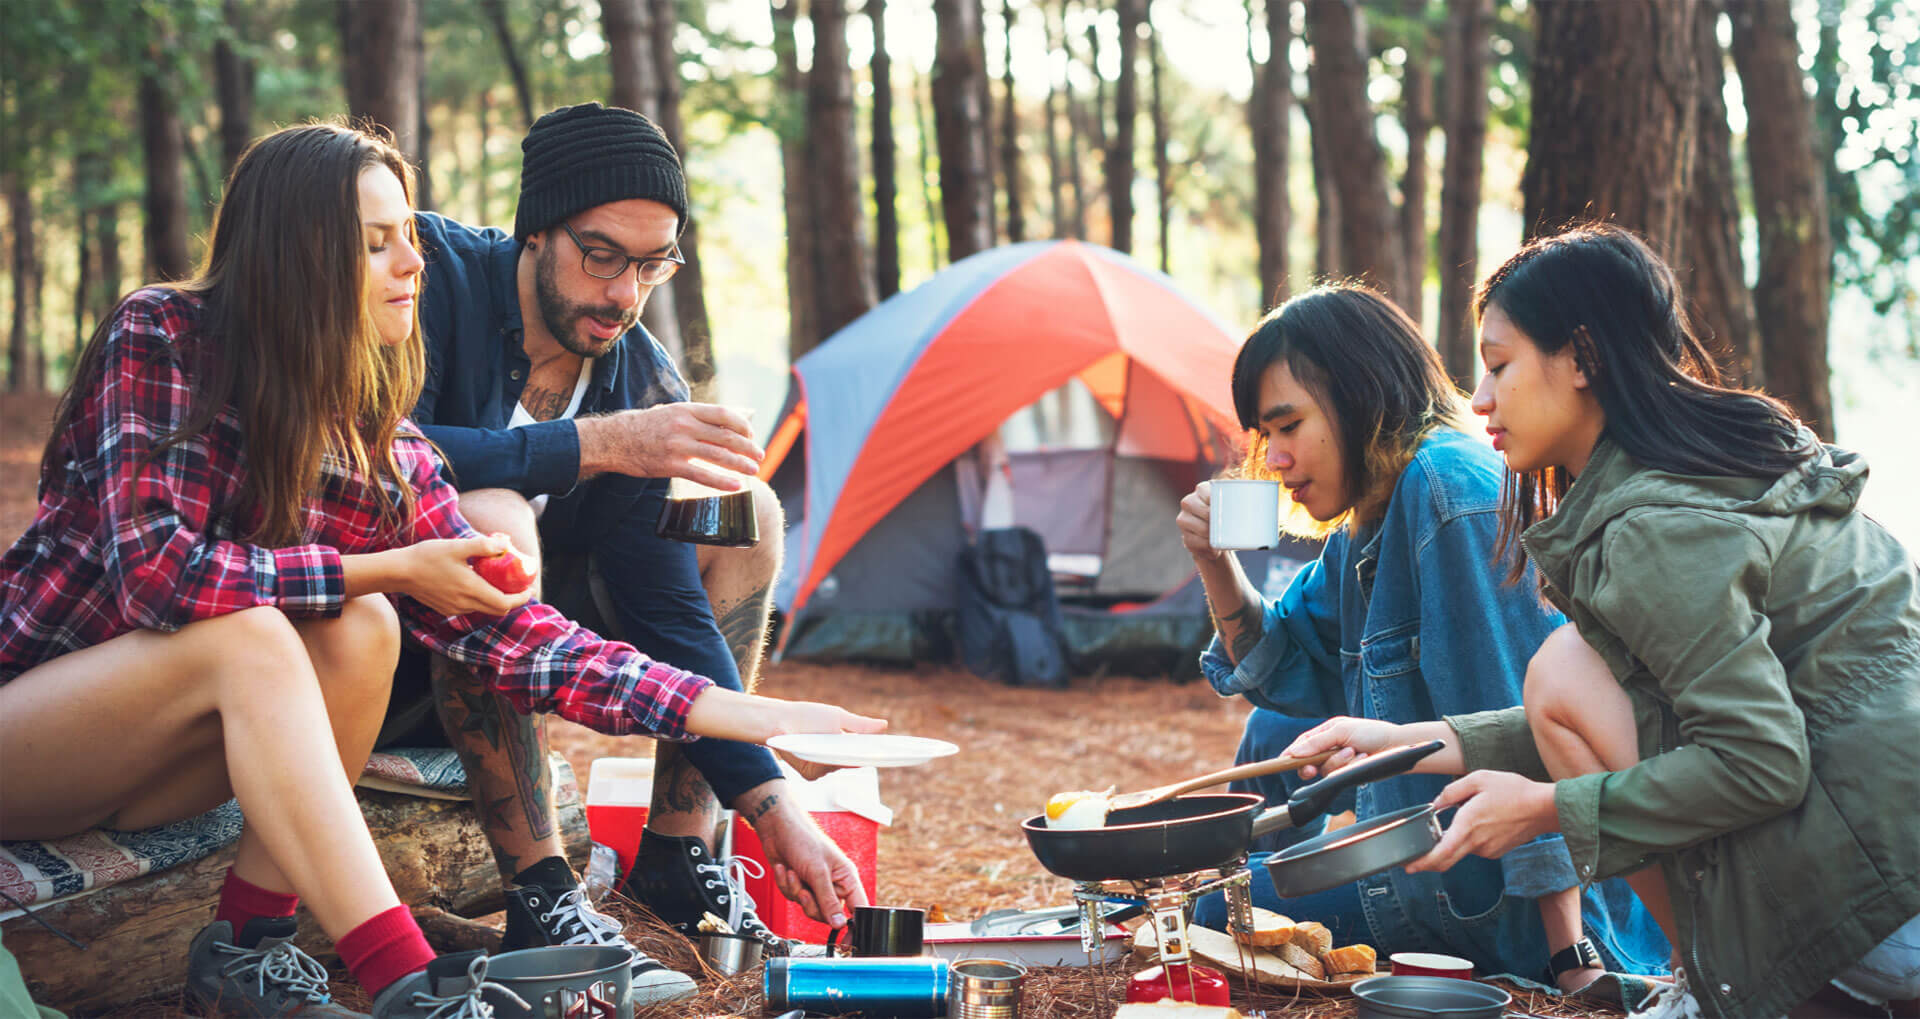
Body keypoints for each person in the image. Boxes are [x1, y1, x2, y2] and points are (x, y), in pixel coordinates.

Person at [0, 122, 883, 1019]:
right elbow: (158, 575)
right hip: (36, 731)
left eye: (410, 240)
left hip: (176, 761)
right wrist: (392, 565)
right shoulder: (165, 333)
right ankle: (408, 985)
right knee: (261, 636)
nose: (409, 265)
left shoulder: (363, 418)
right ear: (296, 248)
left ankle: (245, 958)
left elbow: (513, 633)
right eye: (377, 242)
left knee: (360, 627)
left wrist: (740, 715)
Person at [1282, 225, 1920, 1019]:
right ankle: (1756, 988)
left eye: (1500, 365)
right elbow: (1641, 715)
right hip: (1887, 865)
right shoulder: (1703, 471)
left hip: (1887, 906)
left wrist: (1544, 809)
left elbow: (1762, 763)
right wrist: (1403, 748)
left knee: (1562, 671)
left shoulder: (1658, 525)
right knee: (1571, 676)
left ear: (1581, 358)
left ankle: (1731, 991)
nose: (1479, 399)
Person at [384, 102, 854, 984]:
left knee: (737, 510)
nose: (624, 295)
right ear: (536, 232)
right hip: (377, 640)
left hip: (547, 656)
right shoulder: (428, 281)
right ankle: (541, 893)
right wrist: (594, 444)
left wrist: (771, 800)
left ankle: (681, 855)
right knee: (494, 521)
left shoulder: (637, 371)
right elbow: (372, 456)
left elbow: (667, 607)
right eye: (601, 256)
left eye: (652, 264)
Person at [1174, 285, 1667, 992]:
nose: (1275, 459)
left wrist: (1572, 960)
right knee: (1270, 732)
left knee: (1203, 913)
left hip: (1499, 903)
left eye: (1289, 426)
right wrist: (1214, 563)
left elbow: (1533, 726)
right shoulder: (1369, 519)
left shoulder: (1446, 492)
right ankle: (1249, 881)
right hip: (1432, 869)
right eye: (1264, 435)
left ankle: (1243, 892)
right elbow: (1278, 667)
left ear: (1358, 394)